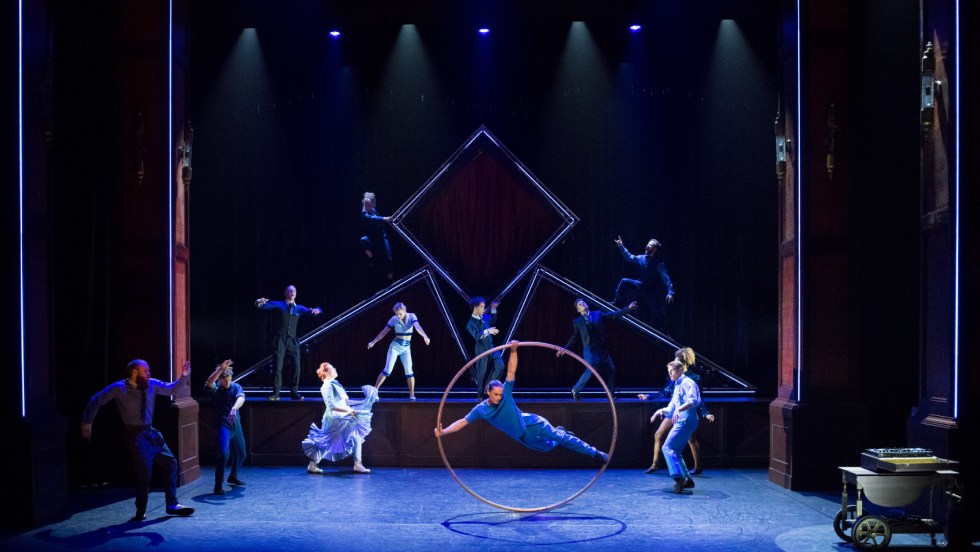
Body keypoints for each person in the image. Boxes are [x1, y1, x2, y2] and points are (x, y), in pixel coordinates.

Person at [436, 341, 609, 464]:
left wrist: (513, 350)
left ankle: (594, 453)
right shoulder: (481, 410)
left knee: (561, 438)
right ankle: (561, 431)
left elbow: (511, 372)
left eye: (500, 394)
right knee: (548, 447)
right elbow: (462, 422)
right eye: (495, 394)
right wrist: (443, 432)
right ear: (488, 392)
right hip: (523, 437)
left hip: (532, 423)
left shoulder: (506, 393)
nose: (499, 397)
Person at [80, 359, 195, 522]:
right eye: (145, 371)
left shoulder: (152, 384)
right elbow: (96, 401)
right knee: (144, 472)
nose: (149, 374)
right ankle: (141, 510)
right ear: (134, 372)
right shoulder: (119, 388)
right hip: (135, 435)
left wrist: (184, 376)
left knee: (171, 463)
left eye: (149, 371)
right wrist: (87, 422)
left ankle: (172, 504)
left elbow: (172, 389)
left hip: (151, 432)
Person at [638, 347, 715, 475]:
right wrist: (649, 397)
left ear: (683, 365)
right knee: (659, 434)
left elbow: (697, 399)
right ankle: (655, 465)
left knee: (691, 439)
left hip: (687, 413)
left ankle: (697, 467)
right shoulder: (673, 377)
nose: (671, 371)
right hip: (675, 411)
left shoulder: (692, 379)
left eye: (676, 363)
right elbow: (666, 393)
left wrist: (706, 413)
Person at [303, 362, 379, 475]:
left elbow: (345, 401)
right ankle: (312, 464)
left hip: (343, 416)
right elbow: (331, 406)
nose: (335, 369)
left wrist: (362, 402)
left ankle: (358, 464)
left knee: (355, 436)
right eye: (332, 368)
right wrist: (348, 410)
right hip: (335, 418)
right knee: (327, 441)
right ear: (326, 372)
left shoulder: (335, 384)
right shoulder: (327, 386)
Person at [559, 298, 638, 400]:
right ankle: (576, 389)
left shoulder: (598, 314)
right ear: (578, 310)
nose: (583, 304)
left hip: (602, 349)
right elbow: (573, 337)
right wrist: (564, 348)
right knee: (591, 370)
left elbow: (613, 315)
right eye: (580, 304)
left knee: (611, 371)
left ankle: (609, 394)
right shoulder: (577, 322)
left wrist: (628, 308)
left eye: (583, 302)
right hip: (590, 350)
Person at [254, 285, 322, 401]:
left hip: (292, 340)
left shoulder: (299, 308)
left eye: (294, 290)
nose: (292, 292)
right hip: (280, 339)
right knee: (278, 366)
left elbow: (313, 311)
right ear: (285, 293)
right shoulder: (279, 304)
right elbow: (262, 306)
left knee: (296, 366)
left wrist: (318, 310)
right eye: (290, 290)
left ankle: (294, 392)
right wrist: (259, 302)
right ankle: (276, 393)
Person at [649, 359, 702, 493]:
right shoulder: (677, 385)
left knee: (667, 447)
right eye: (669, 372)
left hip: (687, 420)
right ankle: (687, 479)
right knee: (675, 451)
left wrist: (680, 409)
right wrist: (659, 411)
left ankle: (678, 478)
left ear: (680, 370)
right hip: (683, 420)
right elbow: (672, 407)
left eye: (672, 371)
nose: (670, 374)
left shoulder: (687, 382)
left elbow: (693, 400)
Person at [368, 302, 431, 400]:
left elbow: (417, 327)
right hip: (395, 347)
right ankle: (374, 392)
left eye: (400, 314)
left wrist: (425, 336)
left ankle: (412, 394)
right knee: (387, 370)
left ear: (404, 311)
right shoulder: (394, 319)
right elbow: (383, 332)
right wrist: (373, 342)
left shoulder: (412, 316)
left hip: (406, 348)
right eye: (396, 314)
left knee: (409, 371)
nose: (398, 316)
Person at [612, 236, 675, 332]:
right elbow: (629, 257)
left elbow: (666, 279)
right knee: (624, 281)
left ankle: (665, 332)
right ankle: (616, 302)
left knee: (657, 312)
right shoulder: (641, 258)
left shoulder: (658, 263)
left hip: (651, 291)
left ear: (655, 249)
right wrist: (621, 246)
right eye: (648, 244)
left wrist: (671, 292)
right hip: (640, 285)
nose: (647, 246)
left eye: (650, 245)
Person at [204, 359, 247, 495]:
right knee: (224, 454)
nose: (228, 383)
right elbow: (209, 382)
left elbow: (241, 398)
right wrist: (220, 370)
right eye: (225, 380)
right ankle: (218, 485)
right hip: (224, 426)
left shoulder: (236, 387)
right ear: (220, 380)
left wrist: (234, 408)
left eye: (229, 380)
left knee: (242, 453)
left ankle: (233, 476)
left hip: (236, 425)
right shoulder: (215, 390)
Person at [465, 297, 505, 400]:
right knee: (481, 373)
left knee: (500, 365)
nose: (484, 309)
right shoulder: (470, 324)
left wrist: (493, 308)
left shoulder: (484, 317)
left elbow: (492, 319)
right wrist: (488, 331)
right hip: (481, 349)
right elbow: (477, 336)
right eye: (482, 307)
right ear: (475, 308)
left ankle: (488, 386)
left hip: (491, 347)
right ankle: (480, 395)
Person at [360, 191, 394, 281]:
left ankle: (390, 277)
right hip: (372, 238)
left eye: (372, 205)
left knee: (388, 256)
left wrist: (388, 221)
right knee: (363, 240)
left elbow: (378, 219)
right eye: (370, 205)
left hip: (381, 236)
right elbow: (373, 218)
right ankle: (371, 257)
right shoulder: (364, 213)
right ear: (366, 204)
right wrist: (384, 218)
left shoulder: (373, 210)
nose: (371, 207)